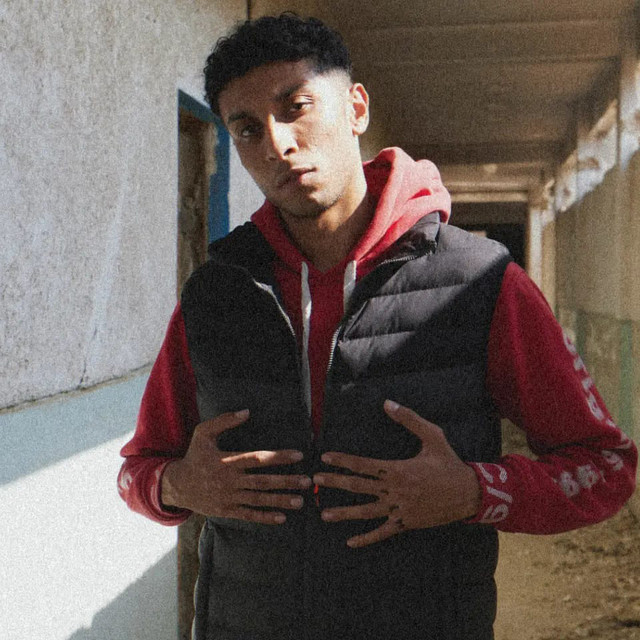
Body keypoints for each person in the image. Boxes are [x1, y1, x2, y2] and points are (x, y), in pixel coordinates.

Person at [118, 13, 637, 640]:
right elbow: (137, 471)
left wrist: (475, 491)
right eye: (248, 129)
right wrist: (178, 484)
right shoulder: (216, 294)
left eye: (296, 107)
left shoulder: (479, 281)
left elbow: (607, 467)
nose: (278, 144)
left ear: (356, 108)